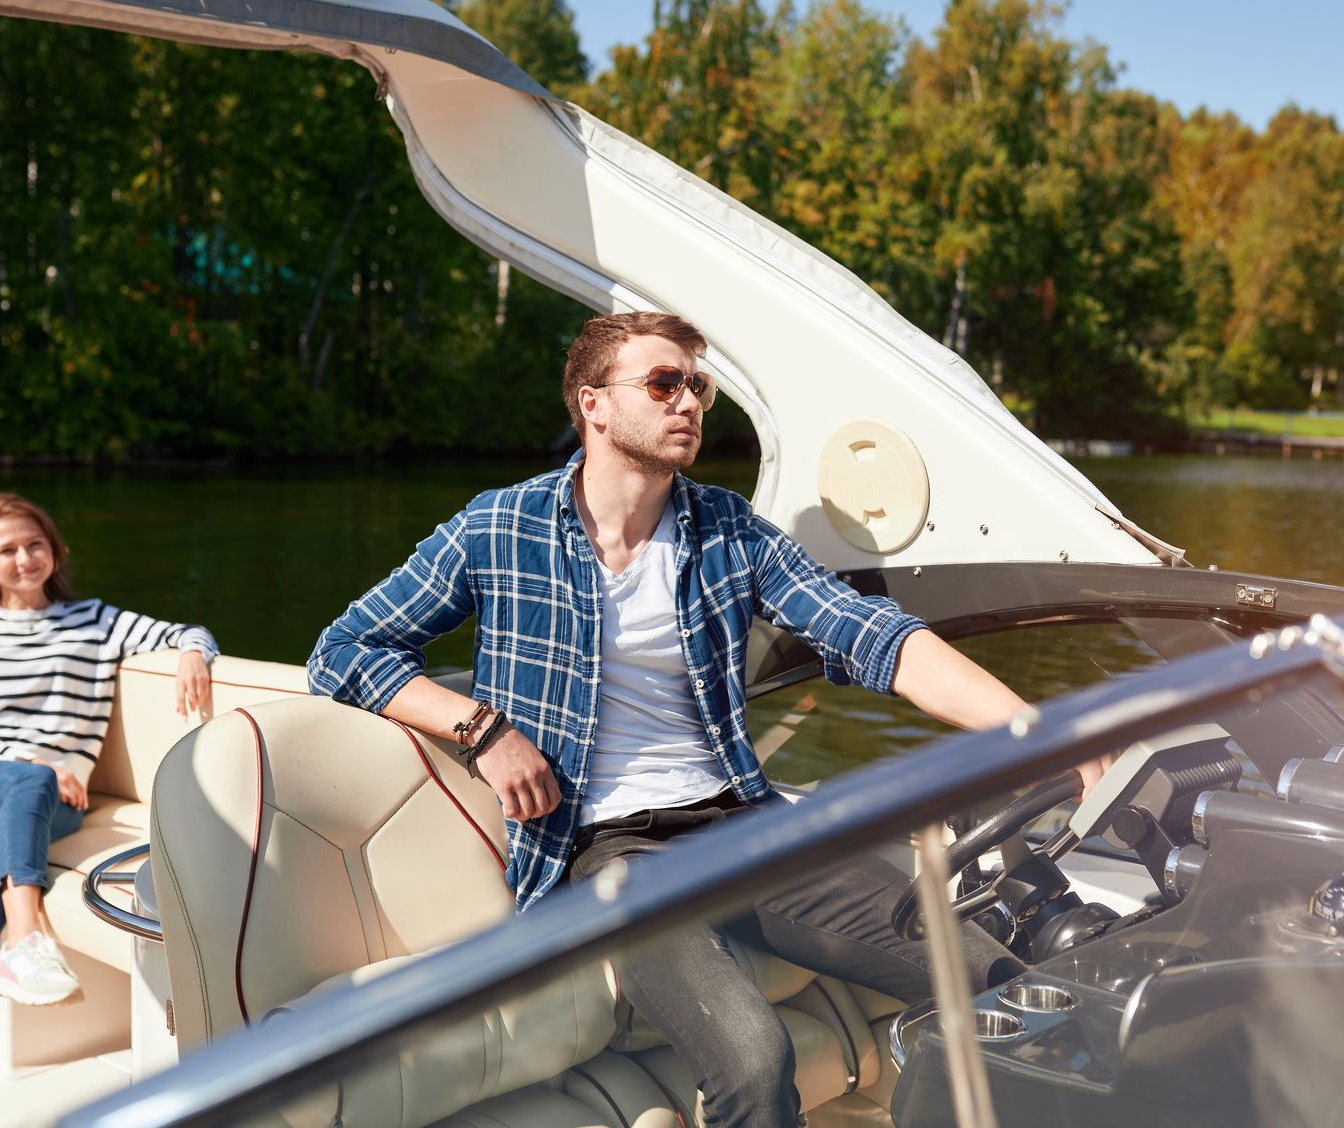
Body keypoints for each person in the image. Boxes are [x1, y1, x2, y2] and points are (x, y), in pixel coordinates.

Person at [309, 311, 1109, 1128]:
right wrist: (483, 732)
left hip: (743, 827)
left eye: (699, 386)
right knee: (756, 1063)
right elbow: (344, 651)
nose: (687, 401)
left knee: (993, 979)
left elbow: (872, 636)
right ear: (593, 404)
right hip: (608, 851)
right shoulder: (498, 528)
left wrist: (1034, 730)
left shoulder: (729, 532)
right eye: (663, 383)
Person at [0, 492, 217, 1041]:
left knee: (14, 820)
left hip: (58, 801)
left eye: (34, 544)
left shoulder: (95, 620)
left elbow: (190, 632)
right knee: (29, 782)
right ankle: (24, 942)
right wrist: (32, 762)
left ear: (55, 552)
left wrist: (191, 656)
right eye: (7, 549)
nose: (24, 558)